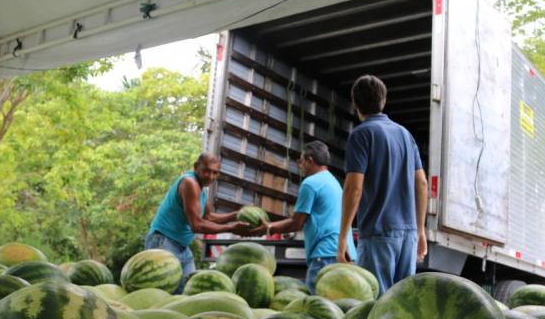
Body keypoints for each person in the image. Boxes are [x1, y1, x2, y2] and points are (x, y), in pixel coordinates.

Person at [337, 74, 428, 295]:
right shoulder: (405, 135)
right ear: (383, 101)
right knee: (403, 304)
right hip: (408, 233)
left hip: (378, 233)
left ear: (355, 104)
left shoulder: (361, 135)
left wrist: (342, 236)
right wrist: (421, 230)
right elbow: (422, 183)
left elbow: (353, 188)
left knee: (375, 304)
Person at [251, 141, 356, 293]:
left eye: (301, 161)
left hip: (325, 256)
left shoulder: (310, 183)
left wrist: (269, 228)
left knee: (316, 308)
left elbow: (296, 222)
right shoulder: (333, 182)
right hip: (346, 253)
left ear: (310, 160)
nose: (300, 166)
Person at [146, 153, 248, 293]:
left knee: (187, 293)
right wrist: (231, 229)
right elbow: (197, 225)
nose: (211, 176)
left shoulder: (201, 188)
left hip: (182, 246)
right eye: (207, 170)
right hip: (164, 241)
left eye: (215, 172)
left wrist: (236, 214)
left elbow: (208, 217)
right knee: (161, 295)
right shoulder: (190, 183)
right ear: (196, 167)